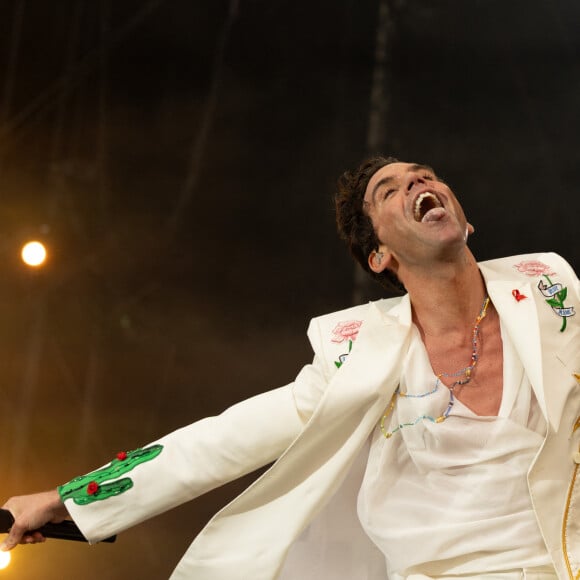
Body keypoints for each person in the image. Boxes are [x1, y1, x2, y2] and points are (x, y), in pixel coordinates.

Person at [1, 157, 579, 580]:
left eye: (425, 175)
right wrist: (72, 498)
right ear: (379, 255)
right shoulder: (361, 355)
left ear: (465, 220)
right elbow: (222, 440)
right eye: (390, 189)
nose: (419, 184)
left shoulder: (556, 295)